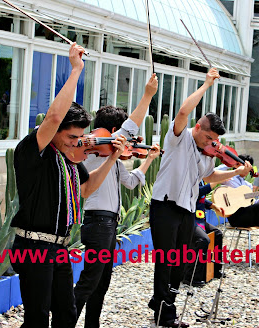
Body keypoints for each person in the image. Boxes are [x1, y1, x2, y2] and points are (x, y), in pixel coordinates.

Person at [10, 43, 127, 328]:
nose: (78, 142)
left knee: (67, 313)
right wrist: (76, 70)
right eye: (72, 136)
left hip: (59, 247)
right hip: (33, 245)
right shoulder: (33, 152)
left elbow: (86, 190)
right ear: (55, 132)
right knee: (37, 318)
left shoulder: (68, 162)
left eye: (80, 137)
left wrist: (112, 157)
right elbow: (52, 117)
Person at [148, 67, 252, 328]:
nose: (212, 143)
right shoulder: (178, 138)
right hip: (164, 206)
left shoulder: (207, 154)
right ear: (197, 128)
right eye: (209, 137)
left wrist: (236, 170)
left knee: (185, 255)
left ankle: (163, 301)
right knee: (166, 259)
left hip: (186, 211)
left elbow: (210, 176)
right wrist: (206, 84)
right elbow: (183, 111)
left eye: (215, 140)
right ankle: (164, 313)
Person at [74, 74, 159, 327]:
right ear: (113, 131)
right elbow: (131, 126)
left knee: (102, 282)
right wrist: (147, 95)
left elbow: (131, 182)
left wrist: (148, 160)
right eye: (120, 133)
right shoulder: (93, 151)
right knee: (90, 281)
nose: (127, 138)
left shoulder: (112, 154)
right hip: (98, 222)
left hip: (109, 224)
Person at [217, 155, 259, 253]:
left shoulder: (247, 185)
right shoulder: (228, 178)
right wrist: (231, 164)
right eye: (246, 166)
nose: (248, 169)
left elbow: (253, 204)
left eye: (249, 167)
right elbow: (215, 170)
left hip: (248, 215)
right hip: (236, 217)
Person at [183, 181, 223, 287]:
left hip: (199, 219)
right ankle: (191, 277)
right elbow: (197, 192)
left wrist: (212, 205)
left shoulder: (200, 177)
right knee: (203, 240)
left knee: (217, 233)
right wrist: (215, 183)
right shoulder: (189, 176)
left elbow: (200, 198)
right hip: (188, 219)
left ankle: (215, 269)